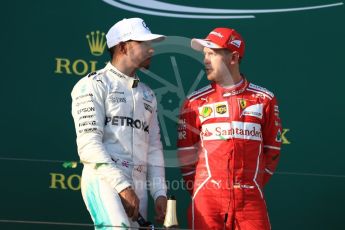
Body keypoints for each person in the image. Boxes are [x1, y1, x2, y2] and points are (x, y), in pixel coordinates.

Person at [177, 27, 282, 229]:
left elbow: (273, 151)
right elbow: (185, 155)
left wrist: (251, 184)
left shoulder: (264, 99)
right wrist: (204, 188)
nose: (205, 60)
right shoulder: (194, 102)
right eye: (204, 54)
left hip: (250, 200)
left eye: (212, 54)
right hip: (207, 200)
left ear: (233, 58)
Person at [71, 17, 167, 229]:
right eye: (144, 44)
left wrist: (160, 193)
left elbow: (153, 148)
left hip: (138, 185)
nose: (151, 50)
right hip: (104, 179)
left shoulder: (148, 95)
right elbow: (88, 145)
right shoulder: (92, 84)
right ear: (123, 47)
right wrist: (123, 186)